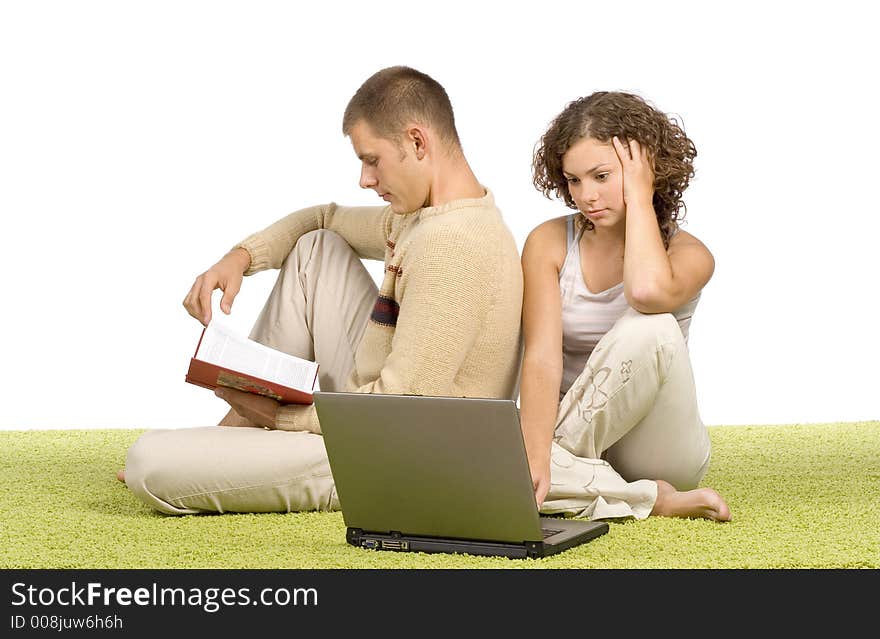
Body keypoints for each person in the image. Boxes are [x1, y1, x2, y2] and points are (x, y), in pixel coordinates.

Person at [118, 66, 523, 515]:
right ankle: (231, 436)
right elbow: (322, 220)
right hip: (373, 412)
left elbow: (400, 413)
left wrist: (276, 417)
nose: (365, 179)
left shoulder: (453, 244)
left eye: (372, 159)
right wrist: (240, 258)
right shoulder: (427, 216)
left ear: (417, 142)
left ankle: (233, 440)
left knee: (148, 462)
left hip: (401, 456)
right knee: (317, 249)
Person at [520, 91, 731, 522]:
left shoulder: (691, 255)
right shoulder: (547, 242)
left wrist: (639, 196)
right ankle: (651, 499)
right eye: (574, 180)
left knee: (650, 325)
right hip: (570, 430)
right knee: (523, 453)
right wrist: (532, 450)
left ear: (646, 170)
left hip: (656, 446)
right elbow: (541, 357)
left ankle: (560, 474)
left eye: (601, 176)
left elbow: (648, 293)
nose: (586, 196)